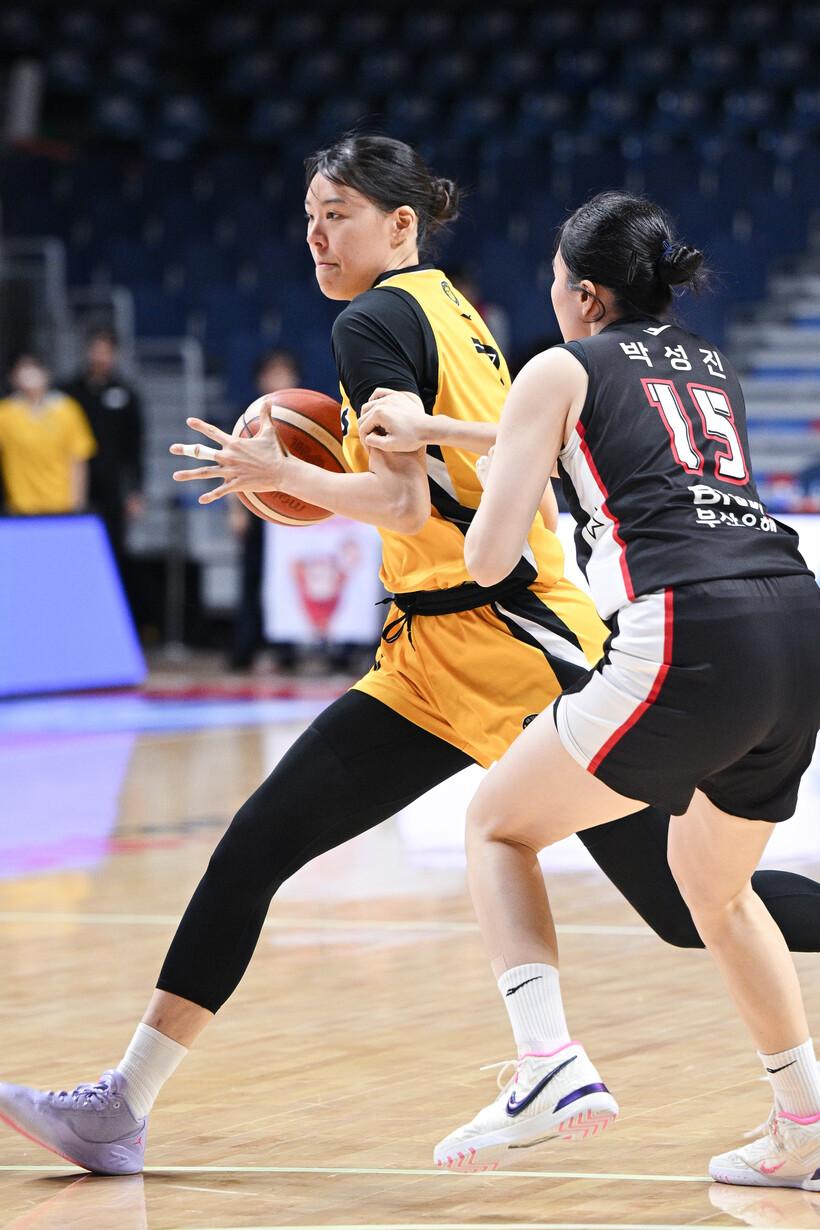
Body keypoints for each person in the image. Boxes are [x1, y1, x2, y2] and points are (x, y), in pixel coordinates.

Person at [1, 140, 820, 1178]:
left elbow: (400, 500)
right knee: (257, 845)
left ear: (401, 225)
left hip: (511, 640)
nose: (315, 234)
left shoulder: (373, 320)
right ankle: (122, 1103)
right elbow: (513, 462)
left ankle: (551, 1066)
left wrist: (282, 472)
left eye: (337, 213)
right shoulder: (457, 314)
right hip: (433, 650)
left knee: (681, 900)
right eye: (309, 214)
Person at [427, 191, 820, 1187]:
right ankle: (805, 1124)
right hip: (794, 618)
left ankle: (545, 1065)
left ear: (588, 296)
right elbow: (580, 441)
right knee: (713, 887)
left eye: (557, 284)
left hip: (692, 626)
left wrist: (433, 483)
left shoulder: (558, 366)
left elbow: (487, 559)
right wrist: (436, 428)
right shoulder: (708, 363)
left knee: (498, 826)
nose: (553, 299)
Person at [227, 347, 301, 672]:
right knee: (252, 580)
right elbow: (231, 465)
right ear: (261, 379)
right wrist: (236, 510)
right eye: (273, 373)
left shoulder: (303, 417)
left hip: (292, 508)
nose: (279, 379)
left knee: (288, 579)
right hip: (256, 507)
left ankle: (287, 651)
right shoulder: (247, 418)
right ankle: (243, 649)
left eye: (285, 373)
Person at [62, 328, 144, 568]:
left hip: (113, 483)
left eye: (106, 351)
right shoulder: (68, 393)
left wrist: (135, 489)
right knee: (73, 544)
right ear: (87, 352)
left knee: (113, 546)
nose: (101, 357)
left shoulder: (126, 394)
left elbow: (135, 445)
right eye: (96, 350)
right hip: (75, 481)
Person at [0, 353, 96, 515]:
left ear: (46, 374)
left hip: (61, 507)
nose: (29, 375)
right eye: (23, 369)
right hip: (20, 509)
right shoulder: (5, 413)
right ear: (13, 377)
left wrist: (77, 504)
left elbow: (78, 459)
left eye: (34, 369)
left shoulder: (67, 410)